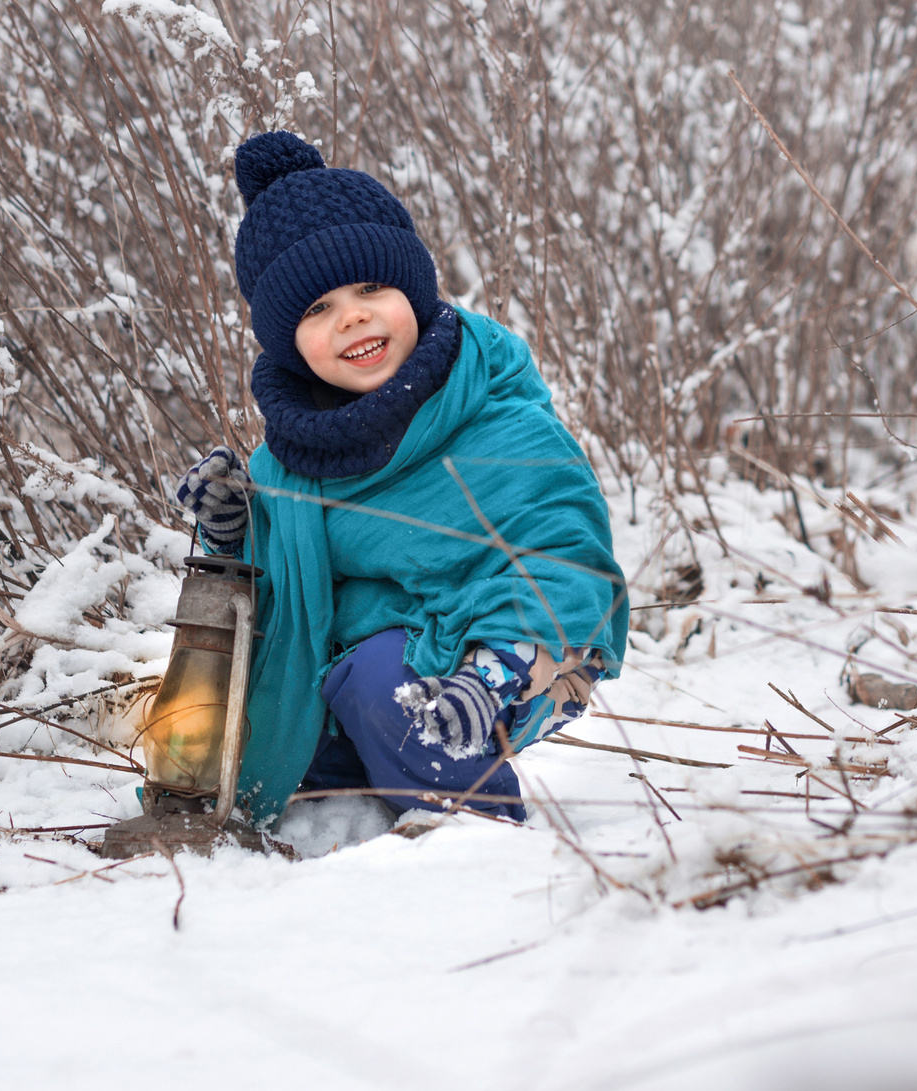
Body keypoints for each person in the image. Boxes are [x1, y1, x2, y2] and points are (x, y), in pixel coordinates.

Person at [173, 131, 627, 827]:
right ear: (289, 343)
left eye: (370, 288)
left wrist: (491, 674)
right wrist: (232, 531)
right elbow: (282, 594)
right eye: (317, 309)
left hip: (519, 657)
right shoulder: (294, 454)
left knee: (389, 687)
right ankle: (351, 779)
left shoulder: (494, 415)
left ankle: (467, 828)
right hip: (357, 665)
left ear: (411, 291)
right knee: (264, 730)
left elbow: (563, 561)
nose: (352, 315)